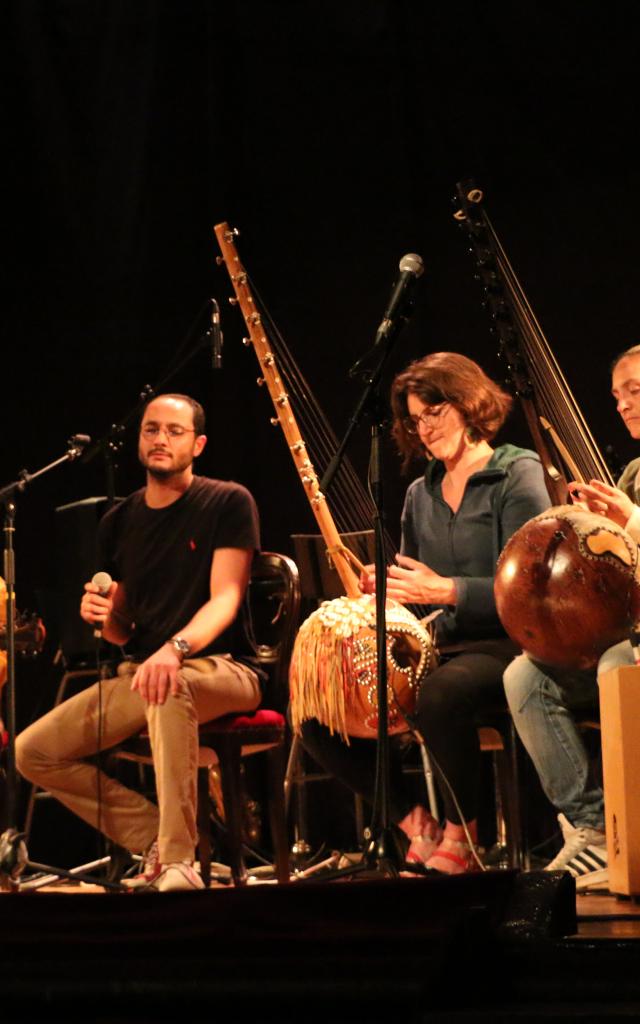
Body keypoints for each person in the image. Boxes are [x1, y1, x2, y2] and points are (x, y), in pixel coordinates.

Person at [300, 352, 550, 874]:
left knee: (442, 693)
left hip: (512, 641)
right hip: (443, 646)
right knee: (322, 714)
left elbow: (531, 585)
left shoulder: (514, 471)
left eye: (434, 411)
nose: (425, 428)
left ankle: (466, 837)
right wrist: (389, 592)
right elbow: (421, 591)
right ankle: (417, 824)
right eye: (416, 419)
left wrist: (447, 590)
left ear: (468, 402)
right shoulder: (421, 492)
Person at [16, 393, 263, 891]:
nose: (160, 440)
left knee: (166, 683)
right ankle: (153, 834)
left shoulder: (227, 501)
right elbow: (122, 629)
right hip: (146, 672)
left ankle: (177, 862)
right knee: (33, 750)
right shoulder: (119, 520)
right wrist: (102, 617)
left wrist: (174, 650)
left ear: (198, 443)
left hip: (223, 667)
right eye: (151, 429)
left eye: (174, 431)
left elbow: (225, 600)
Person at [503, 343, 640, 891]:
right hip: (626, 638)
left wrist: (629, 521)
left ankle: (633, 829)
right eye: (618, 396)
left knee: (615, 666)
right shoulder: (632, 471)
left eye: (636, 391)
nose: (625, 405)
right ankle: (595, 828)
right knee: (526, 674)